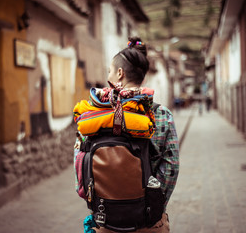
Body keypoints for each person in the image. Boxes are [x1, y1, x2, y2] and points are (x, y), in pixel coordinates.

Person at [74, 37, 179, 233]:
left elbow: (79, 167)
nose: (109, 75)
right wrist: (153, 205)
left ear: (120, 73)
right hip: (149, 223)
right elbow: (171, 168)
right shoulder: (162, 114)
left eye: (110, 71)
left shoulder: (93, 114)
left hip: (105, 220)